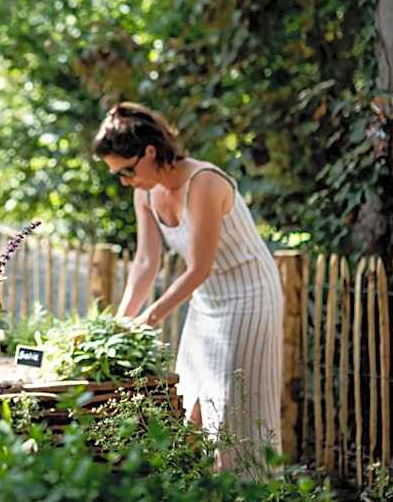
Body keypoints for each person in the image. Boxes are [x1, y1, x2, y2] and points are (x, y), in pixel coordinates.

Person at [92, 101, 282, 471]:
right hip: (207, 300)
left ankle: (247, 489)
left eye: (127, 170)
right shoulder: (145, 191)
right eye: (118, 175)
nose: (125, 181)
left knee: (232, 410)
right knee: (188, 402)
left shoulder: (204, 183)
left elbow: (198, 267)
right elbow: (146, 262)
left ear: (150, 152)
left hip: (250, 295)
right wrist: (120, 324)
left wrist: (149, 317)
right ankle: (199, 488)